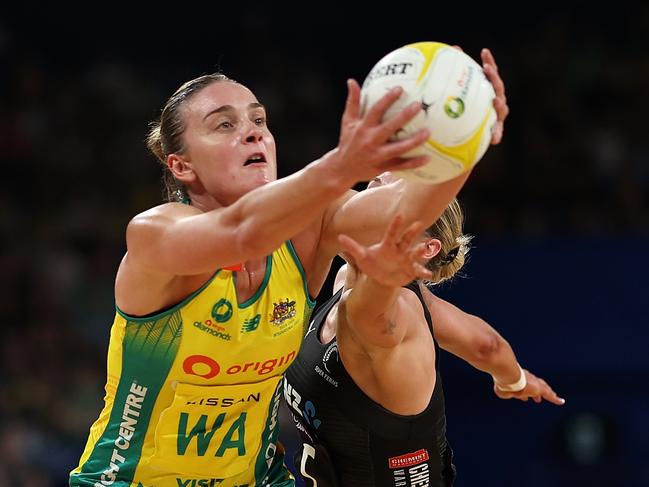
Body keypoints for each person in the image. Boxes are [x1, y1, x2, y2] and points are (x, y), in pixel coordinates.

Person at [69, 48, 508, 487]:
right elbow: (242, 233)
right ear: (181, 166)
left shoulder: (313, 223)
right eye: (225, 124)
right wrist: (341, 165)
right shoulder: (153, 235)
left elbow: (406, 210)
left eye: (259, 121)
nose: (252, 134)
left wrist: (462, 140)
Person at [283, 195, 564, 487]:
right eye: (372, 191)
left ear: (427, 247)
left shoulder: (390, 318)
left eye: (392, 207)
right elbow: (486, 345)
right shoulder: (348, 280)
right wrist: (515, 380)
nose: (367, 205)